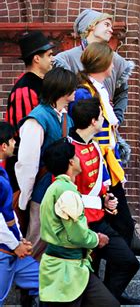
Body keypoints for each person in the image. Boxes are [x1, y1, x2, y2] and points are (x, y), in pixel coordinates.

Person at [69, 41, 140, 256]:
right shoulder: (84, 92)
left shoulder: (98, 90)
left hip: (107, 159)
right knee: (112, 211)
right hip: (96, 161)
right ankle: (123, 254)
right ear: (104, 63)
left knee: (115, 207)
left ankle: (126, 249)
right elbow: (85, 128)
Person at [39, 138, 119, 306]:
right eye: (76, 156)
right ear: (71, 162)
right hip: (64, 271)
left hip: (75, 268)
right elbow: (77, 235)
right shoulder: (66, 192)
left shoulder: (56, 189)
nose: (79, 159)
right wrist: (97, 239)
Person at [15, 67, 76, 260]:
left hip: (60, 190)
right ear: (63, 90)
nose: (75, 91)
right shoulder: (37, 119)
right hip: (42, 191)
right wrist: (25, 199)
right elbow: (27, 163)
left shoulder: (65, 118)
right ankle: (27, 286)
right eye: (72, 87)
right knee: (36, 242)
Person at [3, 31, 55, 224]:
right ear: (36, 58)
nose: (52, 59)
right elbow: (25, 135)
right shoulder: (25, 89)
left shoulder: (42, 85)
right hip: (26, 168)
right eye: (49, 55)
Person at [0, 121, 39, 306]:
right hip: (4, 251)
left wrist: (20, 239)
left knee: (46, 280)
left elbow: (7, 211)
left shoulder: (2, 173)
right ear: (3, 146)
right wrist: (16, 244)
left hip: (13, 251)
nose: (15, 144)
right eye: (12, 140)